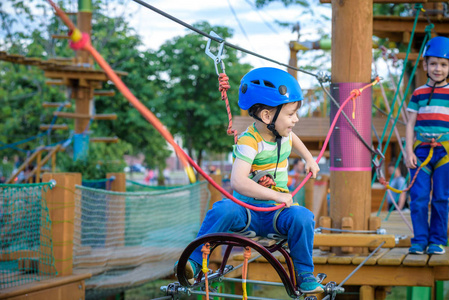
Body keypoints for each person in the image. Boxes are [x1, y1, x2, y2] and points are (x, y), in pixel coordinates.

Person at [176, 67, 322, 293]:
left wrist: (310, 160)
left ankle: (304, 273)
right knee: (223, 210)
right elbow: (238, 182)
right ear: (267, 116)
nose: (296, 119)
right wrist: (277, 194)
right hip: (248, 214)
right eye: (291, 114)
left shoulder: (284, 135)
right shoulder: (249, 141)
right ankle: (193, 263)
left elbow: (295, 140)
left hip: (276, 215)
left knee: (303, 217)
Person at [405, 36, 449, 255]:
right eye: (433, 63)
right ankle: (420, 240)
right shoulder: (419, 93)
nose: (437, 69)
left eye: (443, 64)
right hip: (421, 150)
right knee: (419, 197)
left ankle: (437, 241)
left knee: (441, 197)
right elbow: (410, 122)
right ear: (425, 65)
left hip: (445, 151)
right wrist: (408, 150)